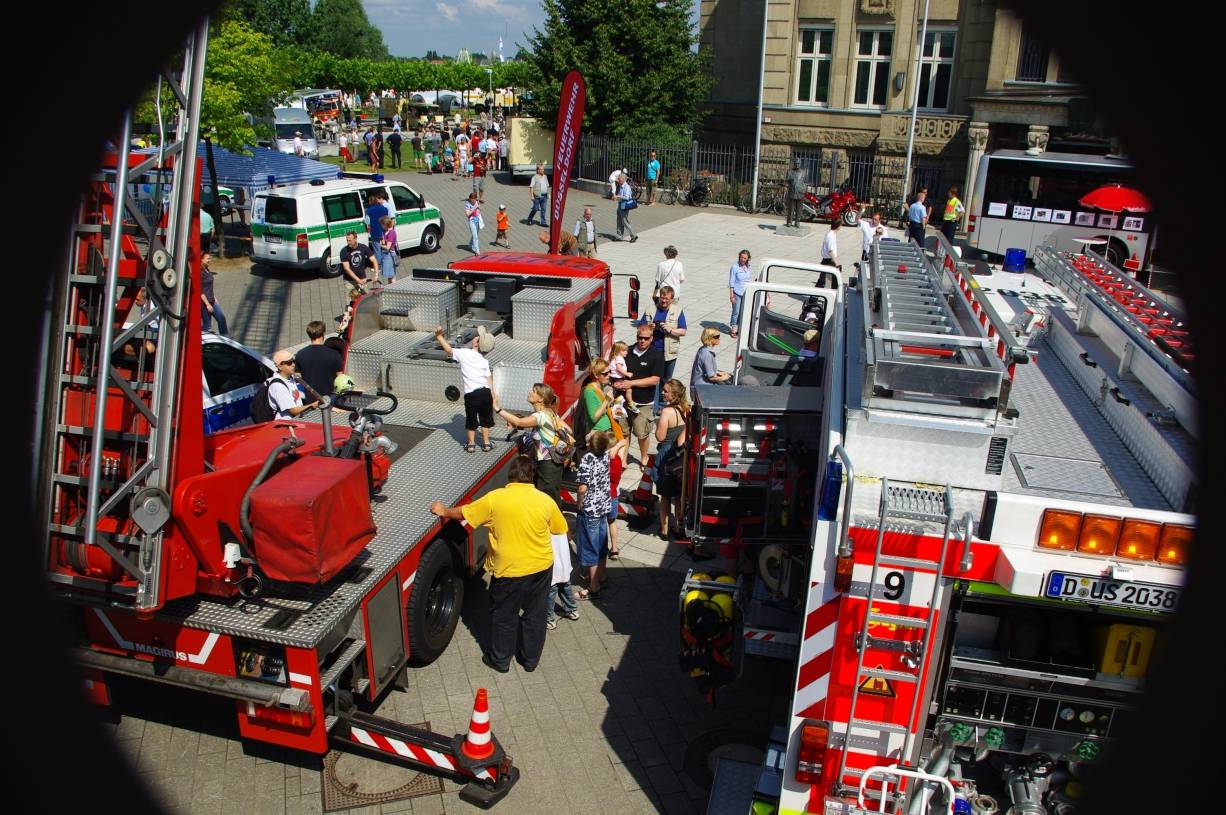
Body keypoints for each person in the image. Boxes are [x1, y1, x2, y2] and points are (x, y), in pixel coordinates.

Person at [430, 455, 565, 673]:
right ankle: (530, 660)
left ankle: (501, 660)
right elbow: (560, 528)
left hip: (509, 571)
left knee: (505, 616)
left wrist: (443, 511)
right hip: (541, 568)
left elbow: (466, 513)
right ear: (532, 476)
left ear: (511, 474)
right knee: (535, 615)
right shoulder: (545, 500)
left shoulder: (495, 499)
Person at [494, 383, 570, 504]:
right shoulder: (549, 413)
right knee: (547, 497)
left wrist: (497, 408)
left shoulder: (540, 416)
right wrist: (529, 454)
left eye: (534, 391)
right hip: (550, 463)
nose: (530, 392)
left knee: (547, 500)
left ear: (541, 399)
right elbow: (568, 431)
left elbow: (518, 422)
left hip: (548, 466)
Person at [434, 324, 497, 452]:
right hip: (485, 393)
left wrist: (439, 336)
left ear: (476, 344)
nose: (475, 337)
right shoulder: (484, 361)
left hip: (471, 395)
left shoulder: (464, 354)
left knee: (471, 420)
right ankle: (486, 443)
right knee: (485, 419)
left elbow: (448, 350)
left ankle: (471, 444)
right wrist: (492, 393)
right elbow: (489, 378)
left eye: (477, 337)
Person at [612, 325, 664, 468]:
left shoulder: (656, 355)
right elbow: (615, 369)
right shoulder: (626, 352)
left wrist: (631, 383)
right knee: (624, 432)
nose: (642, 341)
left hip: (643, 403)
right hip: (622, 402)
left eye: (646, 338)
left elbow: (655, 379)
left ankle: (644, 457)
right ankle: (623, 460)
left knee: (642, 434)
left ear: (651, 339)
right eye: (639, 337)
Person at [574, 431, 613, 597]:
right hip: (603, 506)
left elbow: (583, 488)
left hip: (590, 509)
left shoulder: (586, 459)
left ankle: (593, 586)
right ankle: (602, 575)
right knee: (602, 542)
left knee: (590, 546)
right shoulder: (605, 455)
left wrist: (579, 502)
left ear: (591, 444)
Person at [640, 285, 686, 415]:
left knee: (666, 380)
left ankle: (660, 404)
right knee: (654, 380)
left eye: (667, 299)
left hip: (669, 353)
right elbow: (640, 327)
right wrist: (649, 327)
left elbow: (683, 331)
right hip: (652, 352)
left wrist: (670, 329)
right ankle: (653, 408)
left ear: (672, 299)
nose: (664, 301)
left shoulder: (678, 311)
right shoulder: (650, 309)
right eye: (662, 298)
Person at [652, 379, 689, 540]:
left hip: (667, 456)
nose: (662, 393)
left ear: (674, 395)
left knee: (665, 496)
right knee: (679, 496)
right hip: (681, 457)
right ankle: (679, 527)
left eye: (666, 391)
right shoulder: (687, 408)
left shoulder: (667, 412)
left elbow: (660, 437)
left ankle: (665, 529)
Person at [295, 320, 343, 399]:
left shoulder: (300, 354)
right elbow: (340, 378)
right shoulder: (334, 354)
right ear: (323, 333)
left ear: (309, 335)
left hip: (310, 399)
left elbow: (298, 377)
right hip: (329, 398)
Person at [268, 351, 320, 419]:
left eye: (293, 361)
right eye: (289, 363)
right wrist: (315, 405)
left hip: (297, 419)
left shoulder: (290, 377)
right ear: (279, 366)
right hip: (286, 424)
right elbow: (294, 411)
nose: (293, 364)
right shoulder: (277, 386)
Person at [583, 359, 618, 442]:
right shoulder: (589, 392)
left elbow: (602, 408)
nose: (609, 375)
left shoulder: (600, 387)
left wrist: (612, 403)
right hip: (599, 433)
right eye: (605, 373)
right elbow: (594, 417)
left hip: (606, 429)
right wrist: (606, 400)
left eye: (609, 372)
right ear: (596, 375)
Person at [690, 327, 730, 398]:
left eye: (719, 336)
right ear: (709, 338)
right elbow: (711, 377)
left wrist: (717, 372)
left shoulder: (703, 349)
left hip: (699, 388)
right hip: (702, 390)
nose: (719, 338)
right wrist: (724, 378)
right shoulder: (707, 354)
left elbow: (704, 369)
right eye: (717, 337)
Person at [365, 190, 392, 279]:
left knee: (377, 250)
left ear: (370, 202)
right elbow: (388, 219)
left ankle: (378, 266)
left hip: (375, 233)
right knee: (385, 248)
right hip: (384, 232)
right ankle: (387, 264)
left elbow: (367, 222)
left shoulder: (368, 211)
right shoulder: (384, 209)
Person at [199, 252, 227, 335]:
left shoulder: (206, 269)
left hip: (212, 300)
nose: (209, 260)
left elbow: (209, 287)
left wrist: (214, 298)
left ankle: (225, 338)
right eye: (208, 258)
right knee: (207, 326)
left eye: (210, 258)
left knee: (221, 319)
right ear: (201, 259)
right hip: (204, 303)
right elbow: (200, 291)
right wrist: (207, 304)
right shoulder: (200, 272)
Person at [728, 249, 753, 338]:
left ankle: (740, 328)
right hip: (737, 292)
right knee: (736, 311)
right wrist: (731, 295)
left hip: (746, 293)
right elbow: (731, 282)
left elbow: (749, 280)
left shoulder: (749, 267)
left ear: (748, 259)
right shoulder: (735, 267)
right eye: (741, 257)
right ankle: (734, 328)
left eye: (745, 258)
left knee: (743, 312)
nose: (742, 259)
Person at [615, 173, 638, 243]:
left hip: (624, 206)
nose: (618, 180)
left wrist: (618, 197)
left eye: (619, 178)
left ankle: (633, 235)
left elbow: (627, 197)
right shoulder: (620, 185)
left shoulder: (626, 187)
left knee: (624, 221)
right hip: (620, 205)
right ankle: (619, 236)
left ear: (623, 179)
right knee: (619, 221)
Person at [785, 158, 807, 227]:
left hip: (800, 193)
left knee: (799, 209)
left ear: (800, 164)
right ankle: (789, 222)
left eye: (798, 163)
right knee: (791, 208)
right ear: (794, 164)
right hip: (792, 192)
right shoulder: (790, 172)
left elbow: (805, 182)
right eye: (796, 163)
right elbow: (786, 181)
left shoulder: (803, 172)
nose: (797, 165)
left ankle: (797, 222)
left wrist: (804, 189)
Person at [378, 215, 398, 284]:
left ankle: (394, 290)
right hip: (386, 255)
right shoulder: (385, 232)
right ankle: (390, 288)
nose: (381, 226)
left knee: (392, 275)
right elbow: (384, 242)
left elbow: (388, 247)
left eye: (381, 224)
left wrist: (380, 245)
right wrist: (383, 242)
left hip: (390, 255)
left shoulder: (391, 233)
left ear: (385, 224)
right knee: (389, 275)